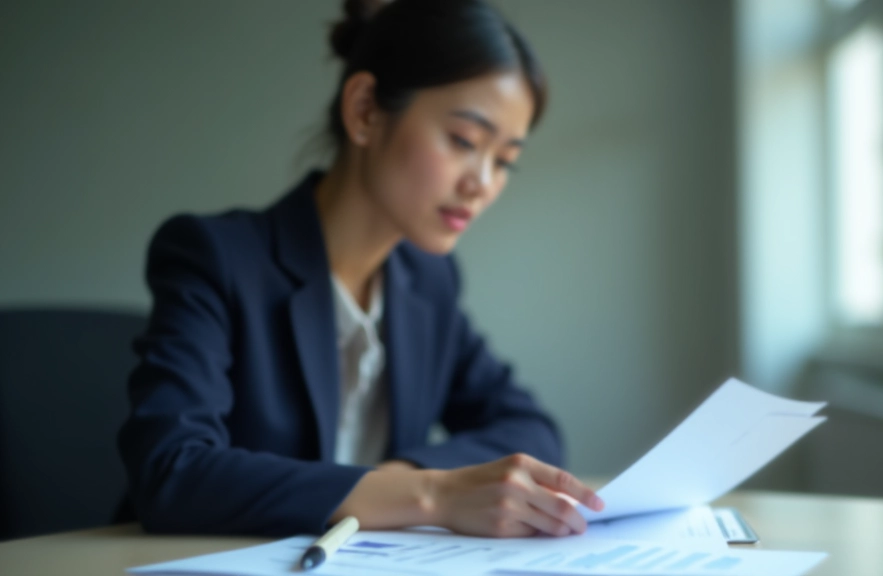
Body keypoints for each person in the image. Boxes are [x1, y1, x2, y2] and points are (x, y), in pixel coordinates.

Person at [118, 0, 604, 539]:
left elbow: (531, 429)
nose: (483, 183)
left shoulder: (426, 283)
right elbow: (171, 472)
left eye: (505, 159)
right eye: (465, 141)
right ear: (365, 110)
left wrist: (404, 478)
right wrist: (431, 495)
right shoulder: (215, 257)